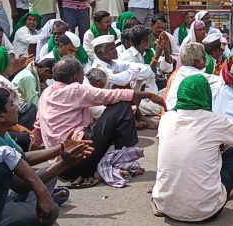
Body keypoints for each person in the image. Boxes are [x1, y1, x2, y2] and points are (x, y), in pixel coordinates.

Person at [0, 87, 92, 226]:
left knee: (46, 175)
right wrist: (63, 164)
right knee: (49, 214)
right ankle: (35, 207)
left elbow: (22, 158)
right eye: (12, 105)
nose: (17, 107)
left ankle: (39, 201)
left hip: (6, 194)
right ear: (0, 115)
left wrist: (61, 148)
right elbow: (22, 185)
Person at [33, 57, 162, 186]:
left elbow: (37, 128)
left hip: (59, 169)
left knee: (100, 120)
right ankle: (123, 162)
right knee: (122, 107)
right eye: (82, 76)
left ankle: (113, 161)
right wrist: (150, 95)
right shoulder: (75, 89)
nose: (83, 80)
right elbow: (113, 95)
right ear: (75, 77)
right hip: (77, 159)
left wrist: (31, 156)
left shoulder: (45, 93)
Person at [153, 74, 233, 221]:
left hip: (164, 206)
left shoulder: (166, 119)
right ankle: (231, 186)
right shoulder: (216, 121)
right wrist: (224, 140)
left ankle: (169, 198)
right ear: (206, 94)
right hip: (205, 211)